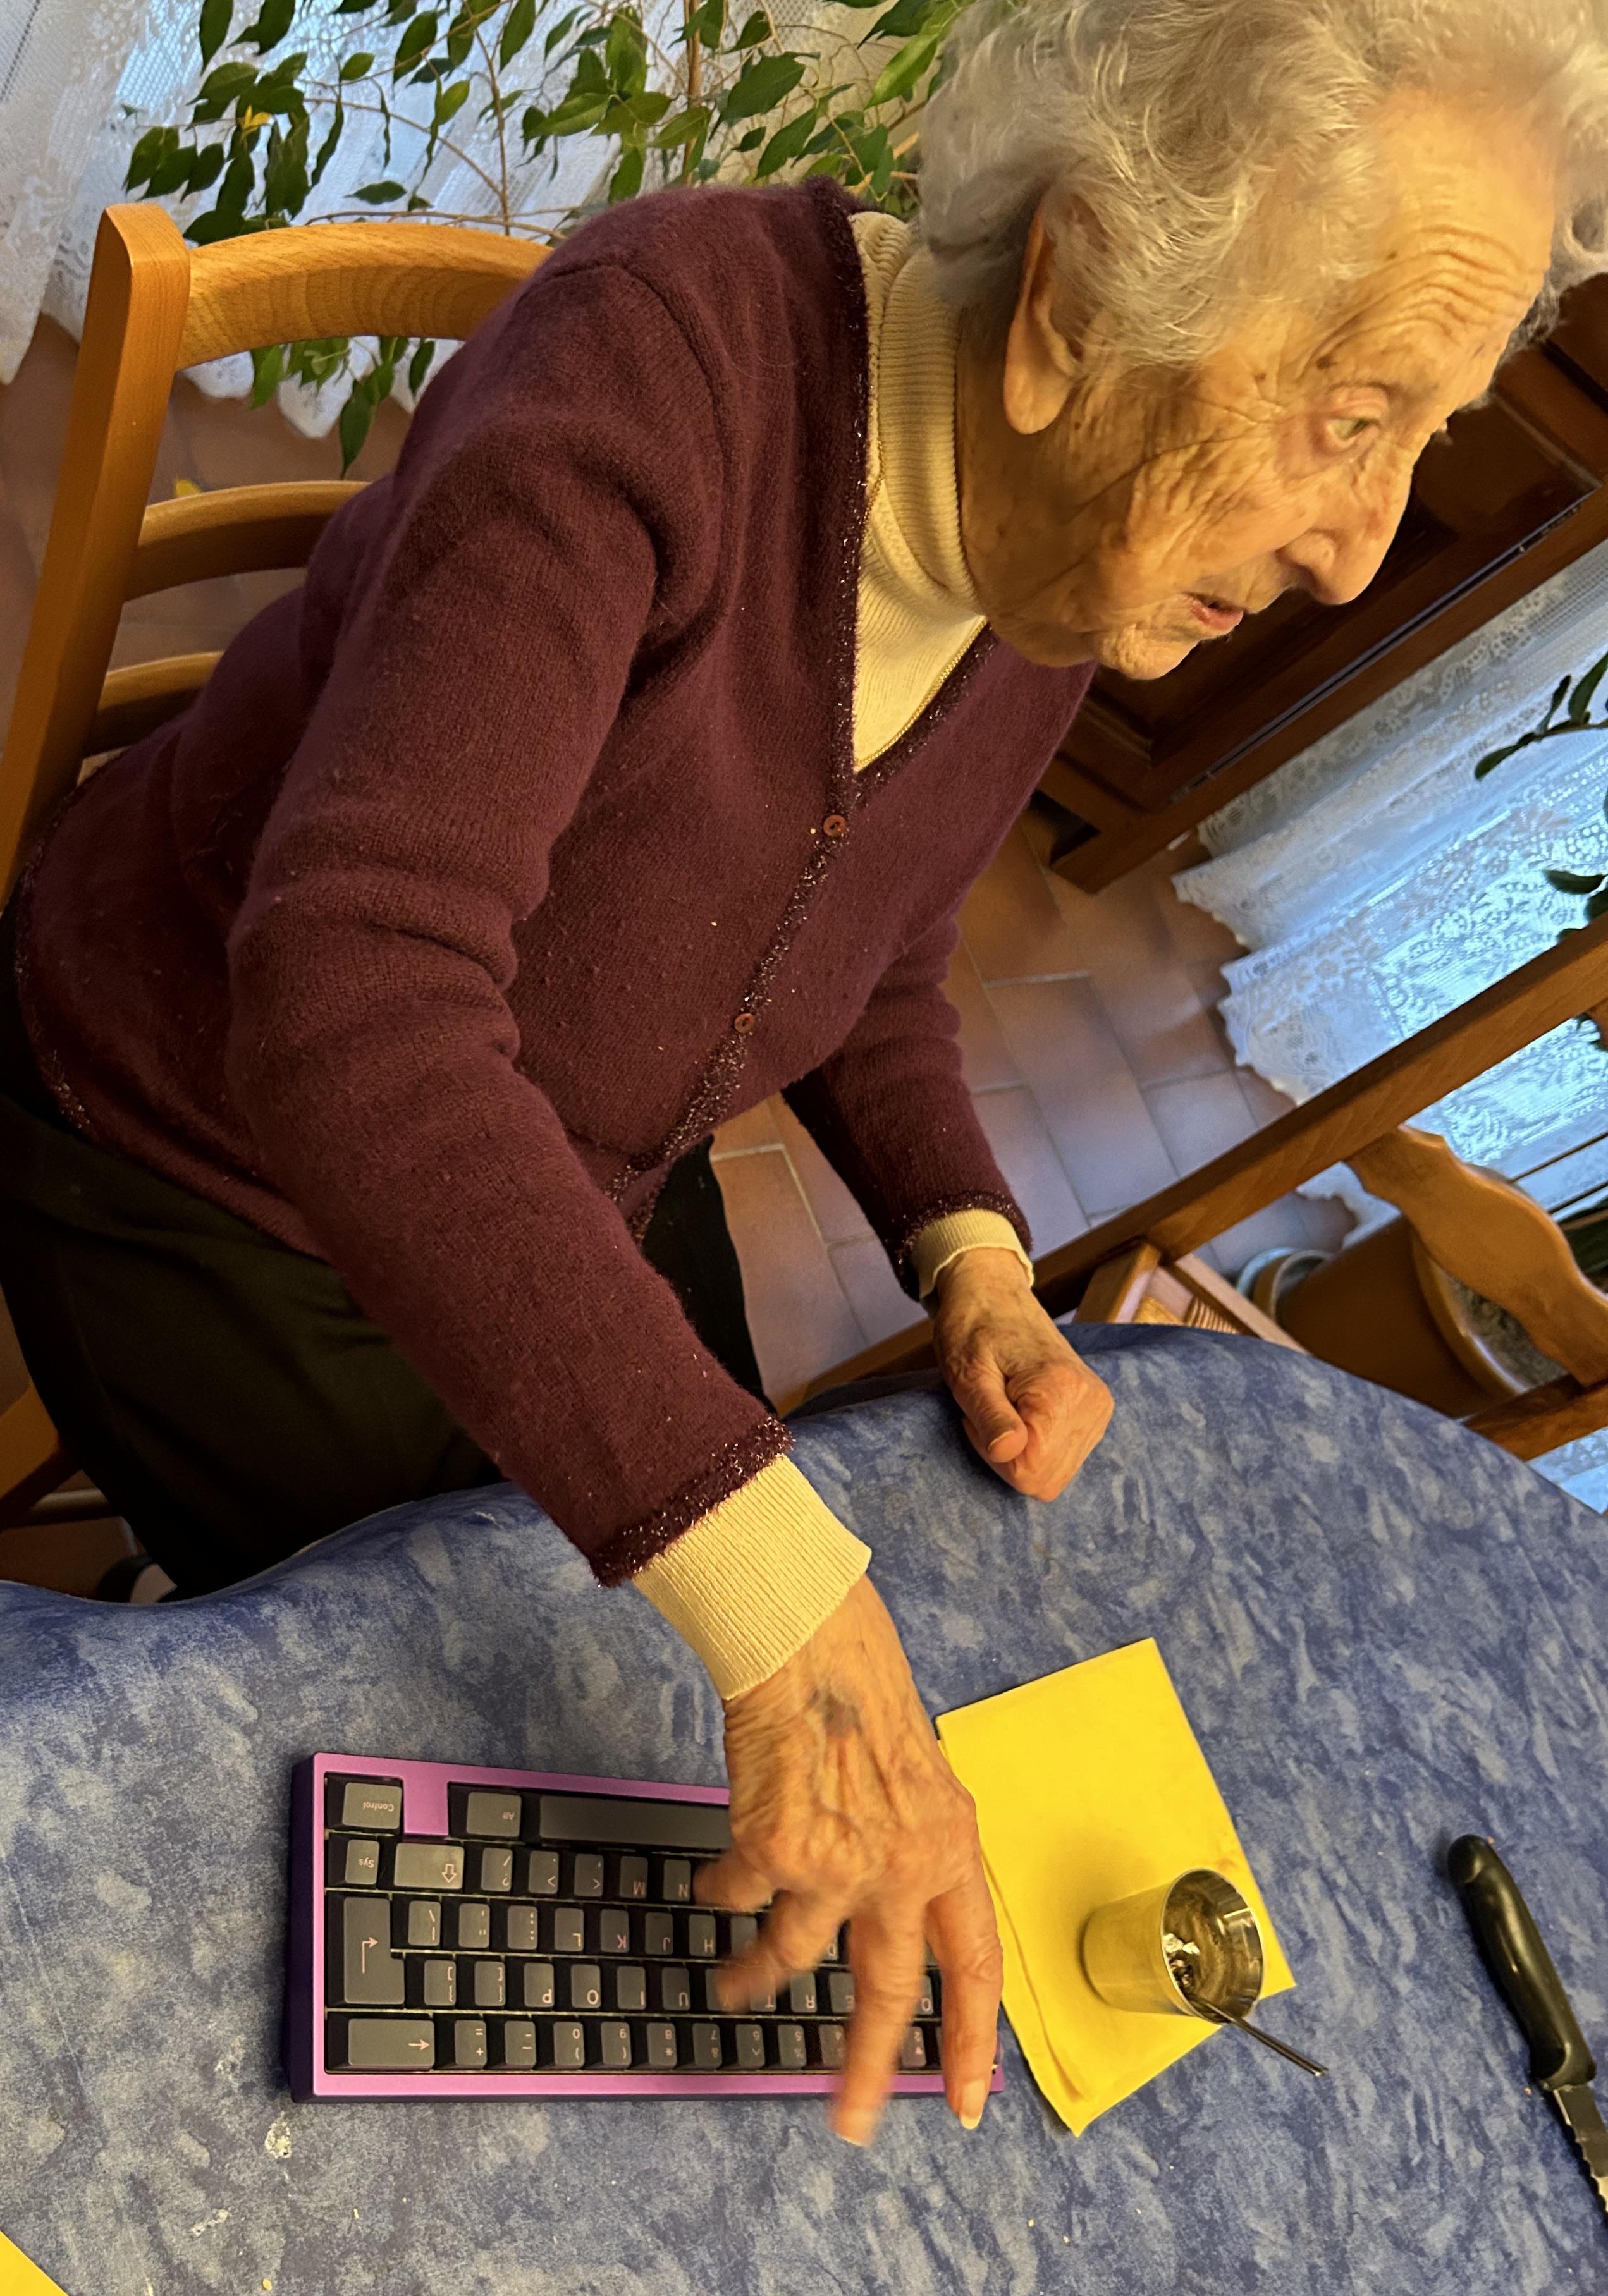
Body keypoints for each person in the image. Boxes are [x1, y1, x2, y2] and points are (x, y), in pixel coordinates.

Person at [0, 0, 1602, 2147]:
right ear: (1072, 302)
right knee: (513, 1774)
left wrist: (969, 1254)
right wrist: (774, 1590)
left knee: (699, 1744)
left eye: (1421, 436)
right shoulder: (659, 369)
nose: (1358, 547)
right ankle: (180, 1640)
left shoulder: (1061, 547)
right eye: (1346, 418)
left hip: (568, 1151)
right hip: (207, 1156)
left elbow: (882, 937)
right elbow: (355, 999)